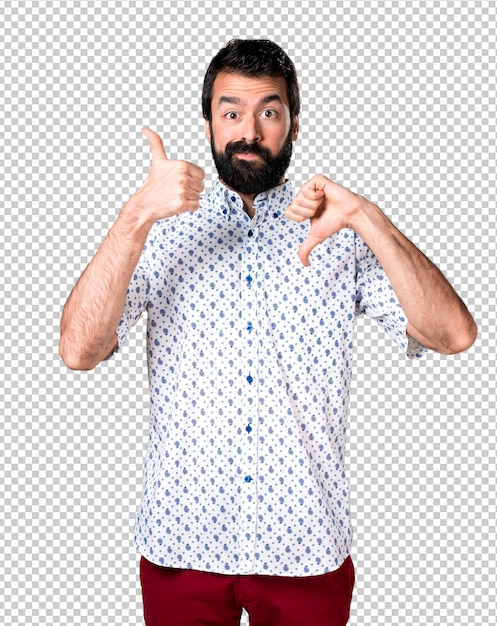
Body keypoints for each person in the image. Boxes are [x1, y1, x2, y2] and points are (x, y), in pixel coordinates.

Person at [59, 39, 477, 626]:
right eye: (230, 112)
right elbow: (79, 351)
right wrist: (134, 217)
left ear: (295, 125)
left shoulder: (338, 228)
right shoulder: (159, 228)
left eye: (269, 112)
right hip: (182, 546)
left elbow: (453, 335)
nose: (248, 130)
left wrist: (367, 218)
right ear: (208, 122)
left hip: (308, 547)